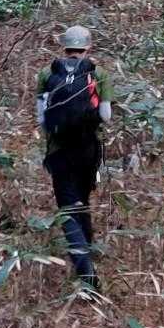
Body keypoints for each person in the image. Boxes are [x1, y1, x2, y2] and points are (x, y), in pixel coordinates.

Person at [36, 26, 112, 292]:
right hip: (89, 150)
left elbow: (42, 119)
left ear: (64, 46)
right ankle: (87, 254)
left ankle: (85, 271)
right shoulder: (98, 73)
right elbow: (106, 116)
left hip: (59, 151)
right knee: (81, 199)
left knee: (67, 207)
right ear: (88, 47)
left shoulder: (47, 73)